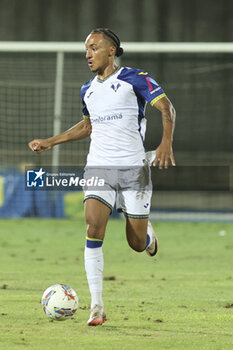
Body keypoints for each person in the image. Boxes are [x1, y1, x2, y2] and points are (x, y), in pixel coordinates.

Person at [28, 28, 176, 326]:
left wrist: (165, 143)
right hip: (98, 167)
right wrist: (50, 141)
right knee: (93, 226)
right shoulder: (87, 89)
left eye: (93, 48)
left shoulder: (135, 78)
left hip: (134, 168)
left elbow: (166, 107)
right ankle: (97, 306)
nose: (88, 54)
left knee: (135, 243)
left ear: (111, 50)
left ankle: (146, 234)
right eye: (86, 49)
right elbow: (87, 127)